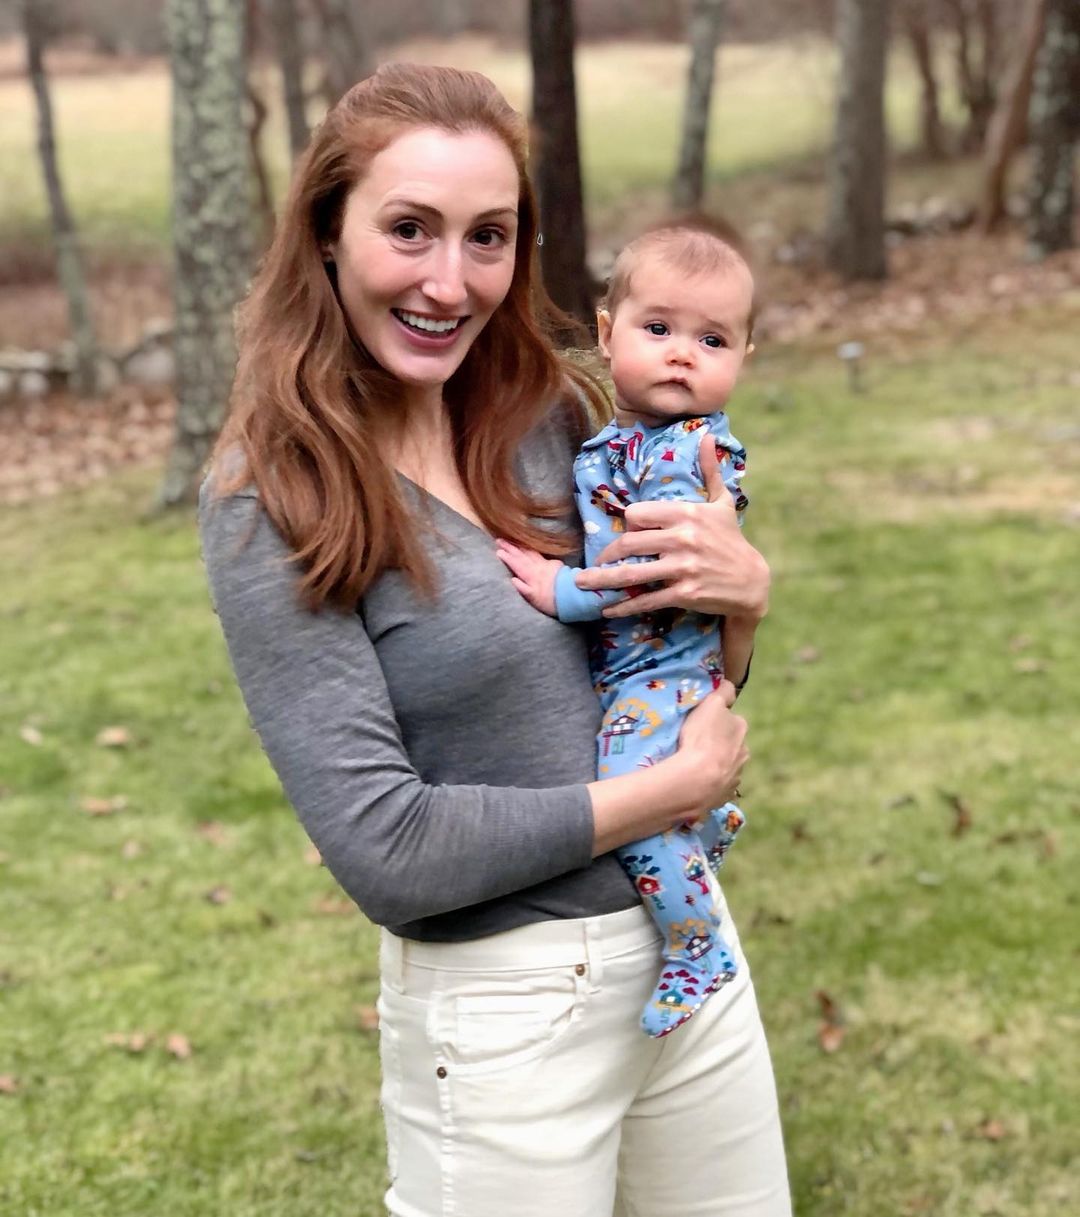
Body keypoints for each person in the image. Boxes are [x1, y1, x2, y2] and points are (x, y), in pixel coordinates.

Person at [199, 63, 790, 1217]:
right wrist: (668, 793)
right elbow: (389, 848)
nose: (449, 280)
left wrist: (742, 603)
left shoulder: (552, 417)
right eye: (408, 229)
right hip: (506, 1013)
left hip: (685, 952)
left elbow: (668, 665)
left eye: (489, 237)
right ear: (326, 231)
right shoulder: (274, 495)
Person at [495, 220, 758, 1038]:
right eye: (659, 328)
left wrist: (559, 589)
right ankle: (711, 821)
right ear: (607, 334)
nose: (682, 354)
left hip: (661, 673)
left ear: (744, 357)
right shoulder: (620, 440)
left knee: (633, 805)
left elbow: (650, 576)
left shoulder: (685, 453)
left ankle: (696, 947)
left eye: (712, 339)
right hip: (644, 671)